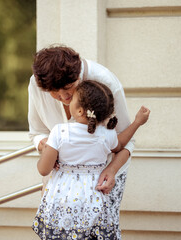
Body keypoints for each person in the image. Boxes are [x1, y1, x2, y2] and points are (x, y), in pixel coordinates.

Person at [28, 45, 134, 238]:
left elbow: (126, 141)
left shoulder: (106, 82)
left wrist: (111, 170)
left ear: (78, 75)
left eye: (68, 89)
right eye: (54, 93)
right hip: (59, 183)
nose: (63, 98)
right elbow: (36, 132)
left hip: (103, 179)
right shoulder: (37, 84)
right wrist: (46, 146)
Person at [32, 80, 150, 239]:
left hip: (62, 200)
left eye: (72, 98)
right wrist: (137, 122)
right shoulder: (106, 135)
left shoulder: (59, 132)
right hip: (93, 201)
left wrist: (47, 149)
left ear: (80, 111)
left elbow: (43, 169)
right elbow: (121, 143)